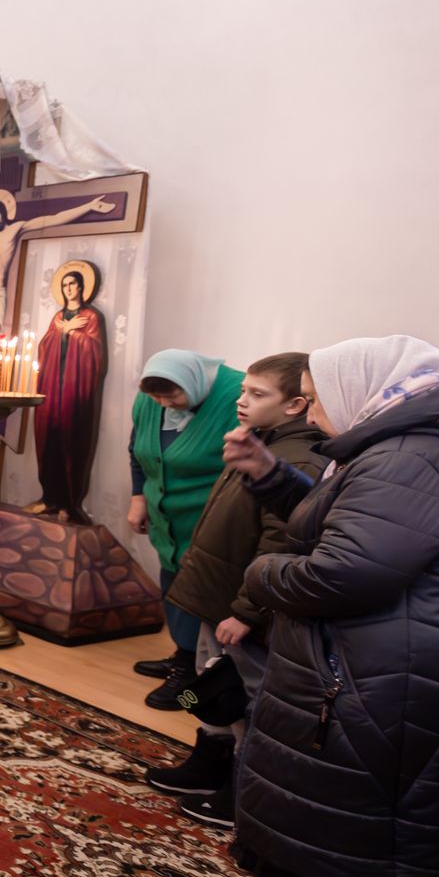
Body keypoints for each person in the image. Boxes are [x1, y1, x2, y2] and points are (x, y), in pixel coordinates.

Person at [213, 336, 439, 877]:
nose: (315, 414)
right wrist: (273, 476)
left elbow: (346, 569)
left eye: (317, 399)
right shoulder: (408, 448)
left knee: (346, 798)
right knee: (367, 804)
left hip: (378, 665)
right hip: (393, 658)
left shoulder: (409, 456)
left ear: (360, 390)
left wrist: (262, 573)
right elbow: (349, 523)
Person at [143, 352, 321, 825]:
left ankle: (241, 791)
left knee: (244, 695)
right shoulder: (259, 439)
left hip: (242, 608)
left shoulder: (297, 458)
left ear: (295, 404)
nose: (241, 401)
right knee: (209, 684)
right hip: (218, 596)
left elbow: (279, 546)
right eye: (243, 391)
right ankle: (209, 759)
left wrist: (246, 610)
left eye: (257, 394)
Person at [128, 349, 243, 707]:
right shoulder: (151, 397)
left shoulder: (235, 397)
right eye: (157, 398)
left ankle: (195, 674)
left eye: (172, 396)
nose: (164, 404)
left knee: (201, 590)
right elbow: (137, 450)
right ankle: (183, 654)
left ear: (191, 382)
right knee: (173, 582)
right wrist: (138, 497)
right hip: (167, 517)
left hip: (212, 516)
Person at [31, 263, 108, 522]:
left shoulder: (92, 317)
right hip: (52, 389)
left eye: (73, 283)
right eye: (64, 285)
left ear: (82, 287)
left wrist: (73, 334)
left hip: (75, 392)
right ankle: (49, 498)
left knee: (71, 442)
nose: (68, 289)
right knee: (49, 439)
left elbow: (95, 354)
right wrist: (63, 331)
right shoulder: (58, 317)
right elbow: (44, 346)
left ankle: (68, 503)